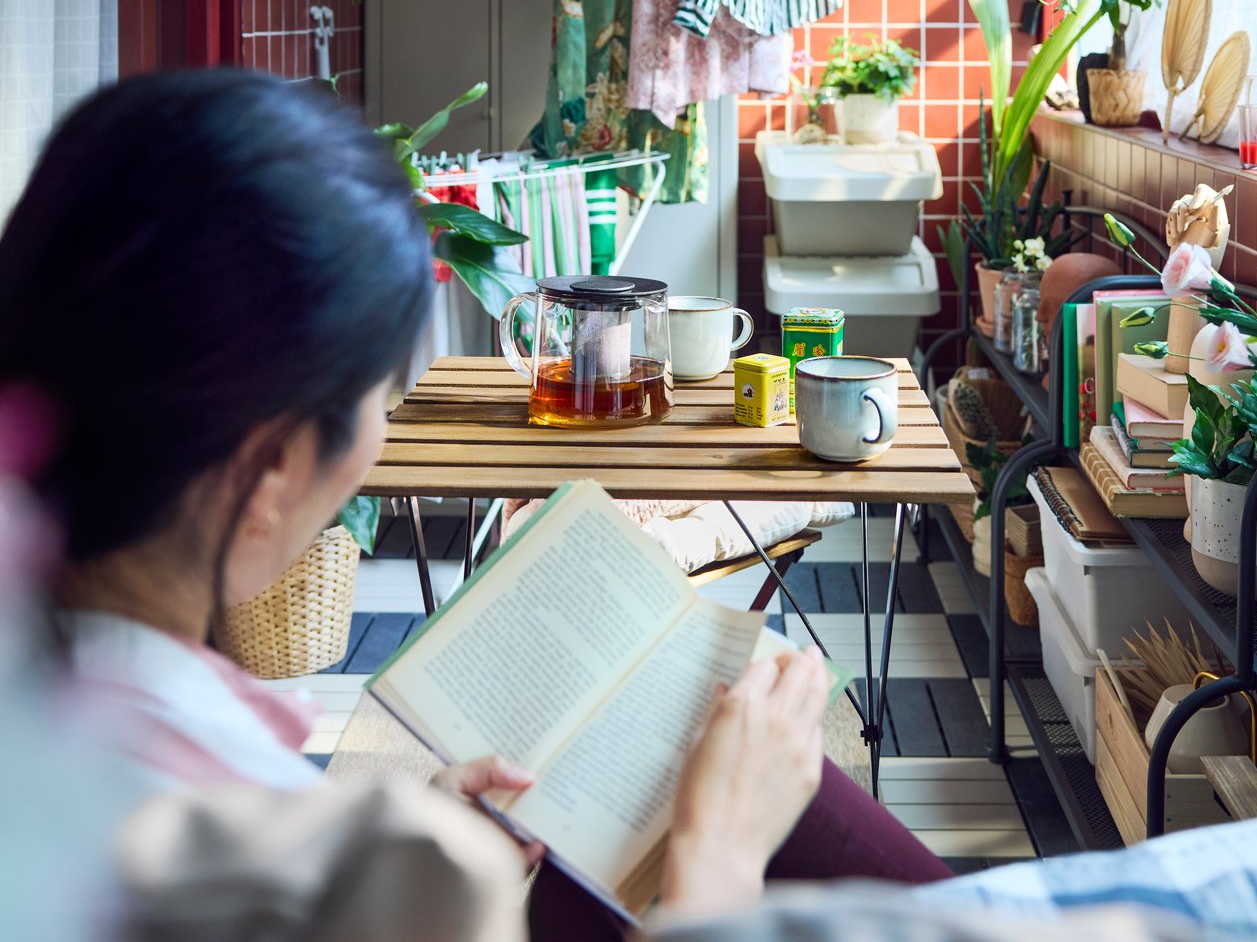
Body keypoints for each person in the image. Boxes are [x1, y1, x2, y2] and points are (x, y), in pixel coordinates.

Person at [0, 71, 945, 942]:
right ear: (274, 466)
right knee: (779, 795)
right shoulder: (209, 849)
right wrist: (718, 860)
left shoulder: (73, 714)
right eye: (383, 392)